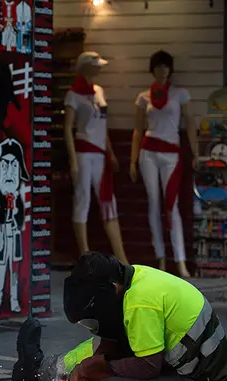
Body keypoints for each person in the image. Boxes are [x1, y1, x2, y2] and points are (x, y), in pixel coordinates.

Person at [12, 251, 227, 381]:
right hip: (170, 363)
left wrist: (99, 370)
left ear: (110, 290)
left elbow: (148, 366)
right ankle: (37, 369)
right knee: (91, 358)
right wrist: (83, 370)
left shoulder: (140, 303)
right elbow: (107, 347)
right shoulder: (129, 281)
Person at [129, 50, 199, 278]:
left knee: (172, 206)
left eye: (166, 66)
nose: (162, 70)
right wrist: (132, 161)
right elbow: (138, 130)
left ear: (171, 69)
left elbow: (189, 124)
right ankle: (160, 259)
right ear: (153, 69)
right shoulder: (143, 97)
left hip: (172, 153)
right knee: (153, 203)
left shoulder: (180, 94)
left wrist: (196, 153)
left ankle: (180, 262)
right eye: (158, 66)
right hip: (148, 152)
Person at [64, 52, 128, 264]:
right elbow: (68, 128)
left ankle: (121, 257)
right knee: (83, 201)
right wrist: (73, 161)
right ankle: (84, 253)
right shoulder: (73, 95)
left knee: (109, 202)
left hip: (100, 155)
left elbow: (103, 125)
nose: (99, 69)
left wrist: (109, 151)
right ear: (85, 68)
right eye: (96, 65)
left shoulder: (99, 91)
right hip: (84, 153)